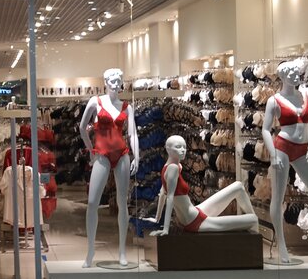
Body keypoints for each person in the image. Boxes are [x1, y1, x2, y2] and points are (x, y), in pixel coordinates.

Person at [262, 59, 308, 263]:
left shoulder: (305, 96)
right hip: (282, 147)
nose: (296, 76)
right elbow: (265, 130)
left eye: (297, 73)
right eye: (292, 73)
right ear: (282, 76)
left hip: (302, 150)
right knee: (278, 197)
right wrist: (273, 154)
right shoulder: (274, 101)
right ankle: (282, 245)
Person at [79, 68, 139, 267]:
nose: (115, 84)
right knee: (92, 203)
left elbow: (132, 134)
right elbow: (82, 128)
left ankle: (122, 250)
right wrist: (90, 149)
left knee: (123, 202)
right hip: (102, 154)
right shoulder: (95, 102)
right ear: (105, 82)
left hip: (122, 155)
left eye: (118, 81)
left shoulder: (127, 107)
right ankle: (90, 250)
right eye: (112, 81)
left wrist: (137, 156)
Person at [151, 135, 259, 236]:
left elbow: (162, 193)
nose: (183, 150)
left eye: (184, 147)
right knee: (254, 219)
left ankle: (254, 231)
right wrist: (165, 229)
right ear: (168, 149)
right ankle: (255, 232)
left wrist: (157, 218)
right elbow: (169, 197)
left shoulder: (172, 166)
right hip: (194, 221)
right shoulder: (173, 168)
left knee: (238, 186)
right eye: (178, 147)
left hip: (195, 212)